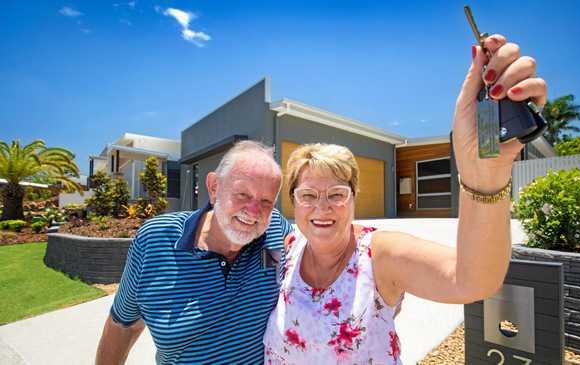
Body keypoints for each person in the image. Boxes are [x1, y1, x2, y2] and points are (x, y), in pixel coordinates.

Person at [263, 34, 547, 364]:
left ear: (354, 198)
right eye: (308, 195)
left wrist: (485, 179)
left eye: (337, 194)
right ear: (293, 201)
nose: (322, 207)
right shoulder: (288, 248)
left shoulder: (379, 255)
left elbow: (470, 281)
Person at [95, 141, 292, 364]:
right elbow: (123, 325)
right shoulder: (155, 241)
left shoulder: (276, 232)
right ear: (214, 187)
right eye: (242, 195)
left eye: (266, 201)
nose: (254, 211)